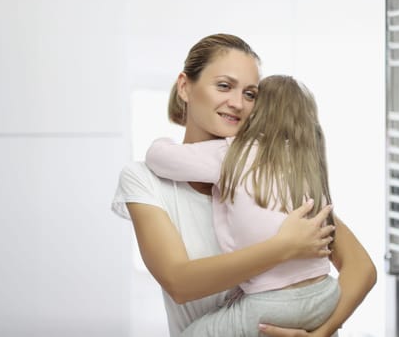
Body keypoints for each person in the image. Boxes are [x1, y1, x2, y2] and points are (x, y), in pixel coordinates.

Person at [111, 33, 376, 337]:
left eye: (250, 94)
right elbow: (180, 283)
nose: (237, 103)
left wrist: (320, 334)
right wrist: (282, 247)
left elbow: (361, 268)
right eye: (224, 86)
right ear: (185, 87)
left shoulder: (272, 172)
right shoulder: (144, 179)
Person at [145, 74, 340, 336]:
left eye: (250, 97)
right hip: (326, 295)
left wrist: (162, 141)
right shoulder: (306, 163)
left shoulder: (234, 154)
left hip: (275, 304)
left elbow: (159, 159)